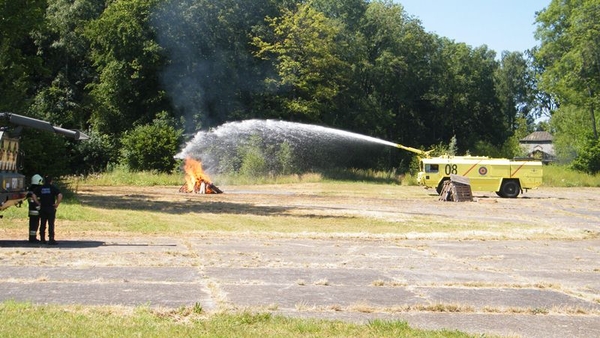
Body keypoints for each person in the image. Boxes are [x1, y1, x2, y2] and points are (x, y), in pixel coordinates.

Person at [32, 176, 63, 245]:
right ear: (51, 181)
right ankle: (51, 239)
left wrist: (37, 202)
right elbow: (60, 195)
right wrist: (57, 203)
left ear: (44, 181)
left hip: (43, 208)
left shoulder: (41, 188)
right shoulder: (52, 188)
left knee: (43, 223)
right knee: (51, 224)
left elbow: (33, 195)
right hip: (51, 208)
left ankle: (42, 239)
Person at [26, 174, 44, 242]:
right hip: (35, 211)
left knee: (33, 225)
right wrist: (39, 208)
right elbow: (33, 201)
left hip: (32, 211)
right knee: (34, 225)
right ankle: (32, 238)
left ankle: (32, 237)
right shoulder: (35, 191)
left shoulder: (31, 190)